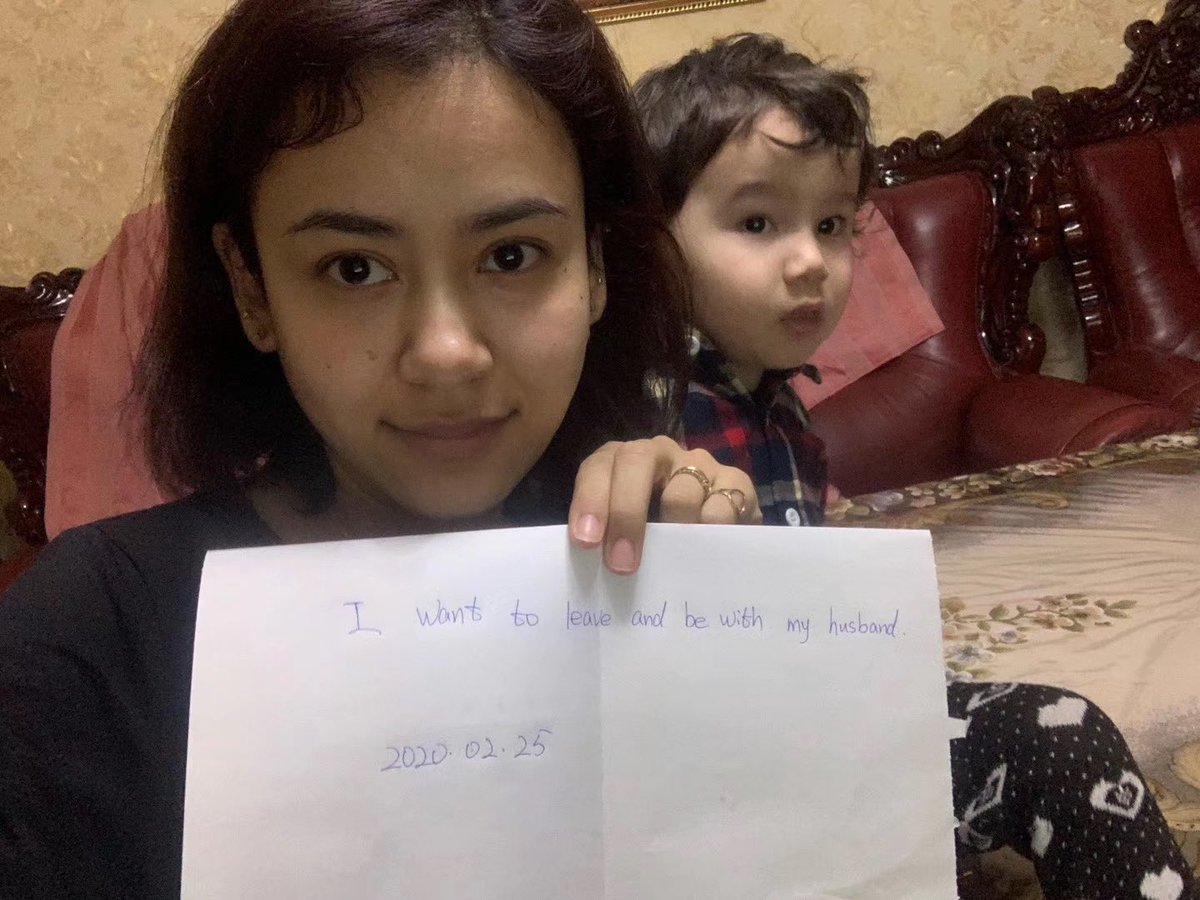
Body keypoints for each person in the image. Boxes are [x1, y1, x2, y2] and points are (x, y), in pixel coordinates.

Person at [0, 1, 763, 896]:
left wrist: (730, 591)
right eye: (354, 268)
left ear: (594, 264)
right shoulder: (90, 639)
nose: (446, 353)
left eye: (512, 255)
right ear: (252, 289)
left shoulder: (649, 565)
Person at [635, 32, 1196, 900]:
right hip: (732, 771)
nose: (809, 261)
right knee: (1058, 732)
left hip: (817, 717)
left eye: (831, 225)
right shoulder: (653, 406)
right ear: (655, 246)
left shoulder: (776, 401)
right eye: (757, 223)